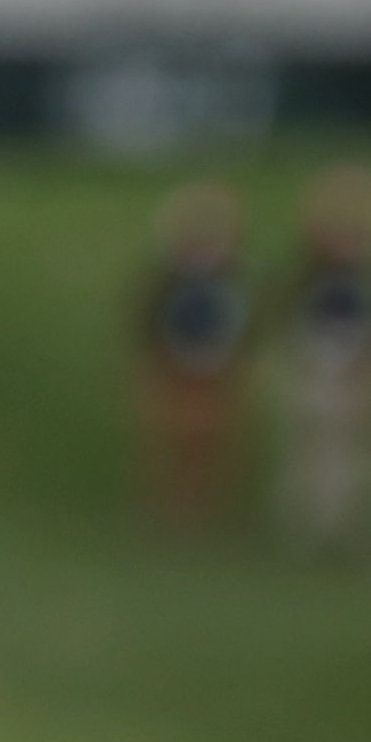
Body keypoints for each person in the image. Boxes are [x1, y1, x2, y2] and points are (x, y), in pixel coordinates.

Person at [270, 163, 371, 551]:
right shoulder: (307, 271)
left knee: (363, 457)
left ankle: (356, 532)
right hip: (315, 369)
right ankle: (312, 532)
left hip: (362, 370)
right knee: (312, 454)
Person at [131, 178, 252, 529]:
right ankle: (169, 514)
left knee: (216, 448)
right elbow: (147, 326)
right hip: (172, 372)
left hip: (218, 374)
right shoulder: (163, 280)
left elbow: (243, 326)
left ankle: (209, 515)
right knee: (168, 446)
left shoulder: (234, 278)